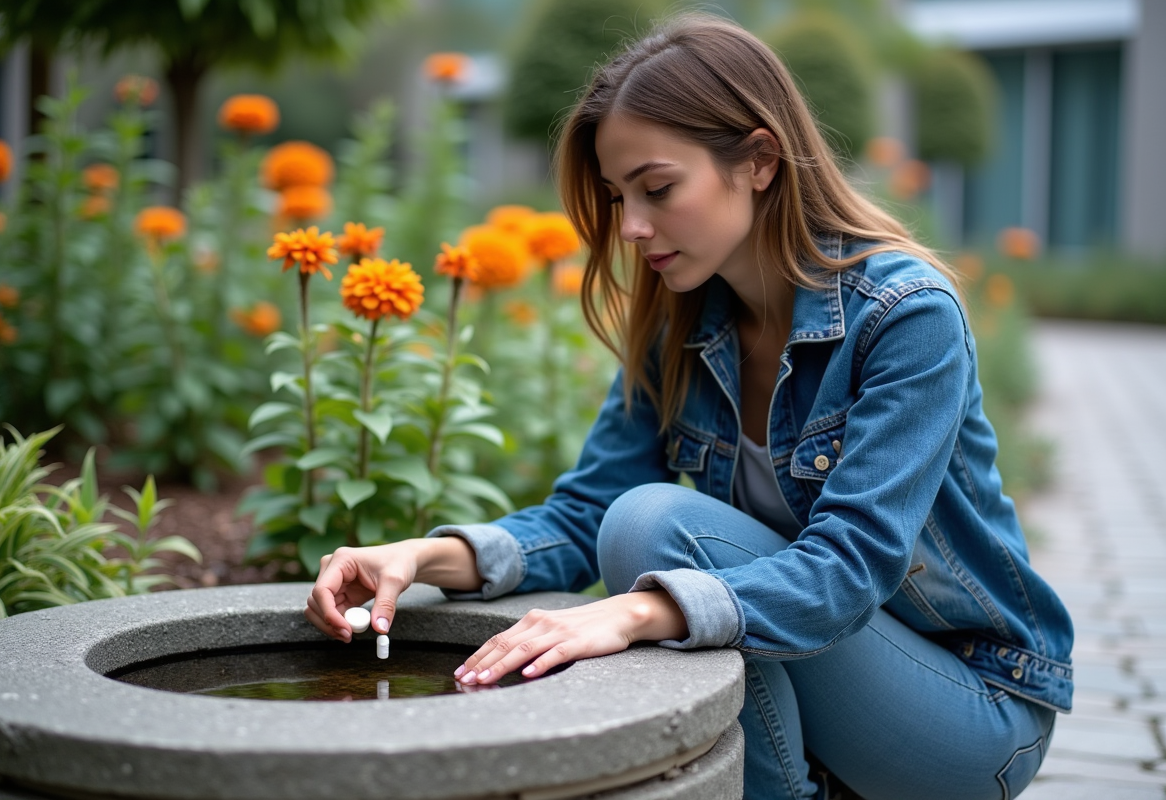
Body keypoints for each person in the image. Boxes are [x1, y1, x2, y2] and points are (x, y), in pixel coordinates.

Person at [305, 14, 1073, 800]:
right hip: (820, 678)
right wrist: (418, 559)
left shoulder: (905, 316)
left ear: (761, 160)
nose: (632, 227)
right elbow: (580, 519)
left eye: (659, 188)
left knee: (655, 530)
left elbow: (849, 570)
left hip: (970, 713)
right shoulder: (683, 318)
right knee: (639, 525)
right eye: (618, 196)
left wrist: (636, 613)